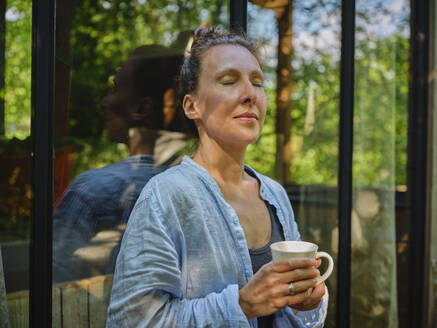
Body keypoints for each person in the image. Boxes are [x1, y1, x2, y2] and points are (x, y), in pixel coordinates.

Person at [106, 26, 328, 327]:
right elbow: (133, 323)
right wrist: (242, 305)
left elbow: (290, 311)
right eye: (228, 81)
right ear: (191, 105)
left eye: (258, 83)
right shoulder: (165, 197)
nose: (251, 94)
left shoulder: (274, 194)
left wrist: (308, 302)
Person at [52, 41, 191, 284]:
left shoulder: (92, 191)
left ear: (142, 108)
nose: (104, 102)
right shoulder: (197, 186)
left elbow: (56, 283)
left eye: (115, 89)